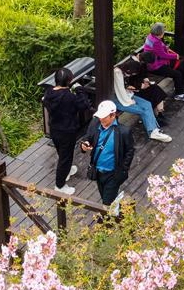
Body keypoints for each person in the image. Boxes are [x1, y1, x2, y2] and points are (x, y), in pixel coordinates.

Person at [44, 67, 91, 195]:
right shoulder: (69, 97)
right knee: (65, 157)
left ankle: (68, 170)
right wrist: (80, 90)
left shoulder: (48, 93)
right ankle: (59, 186)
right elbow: (84, 105)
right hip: (67, 131)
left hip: (54, 128)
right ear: (69, 80)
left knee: (62, 153)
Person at [81, 100, 135, 209]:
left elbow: (130, 151)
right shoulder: (95, 123)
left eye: (104, 116)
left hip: (113, 174)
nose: (101, 119)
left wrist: (124, 168)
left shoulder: (123, 131)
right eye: (100, 116)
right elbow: (88, 137)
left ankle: (108, 220)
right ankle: (116, 211)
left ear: (113, 115)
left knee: (106, 202)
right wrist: (85, 144)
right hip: (98, 171)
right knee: (105, 197)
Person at [112, 67, 172, 142]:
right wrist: (129, 101)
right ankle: (152, 131)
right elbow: (120, 91)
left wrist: (129, 91)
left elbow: (122, 88)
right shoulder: (117, 73)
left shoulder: (122, 71)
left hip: (127, 95)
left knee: (147, 104)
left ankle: (154, 128)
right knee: (143, 110)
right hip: (118, 99)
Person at [142, 22, 184, 101]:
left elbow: (158, 51)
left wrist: (165, 48)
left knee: (179, 66)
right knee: (177, 74)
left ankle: (178, 87)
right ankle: (179, 94)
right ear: (160, 32)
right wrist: (175, 56)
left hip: (154, 62)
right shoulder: (156, 42)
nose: (164, 32)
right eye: (163, 31)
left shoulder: (150, 36)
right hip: (155, 66)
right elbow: (162, 55)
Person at [118, 53, 168, 119]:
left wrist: (146, 81)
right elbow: (129, 81)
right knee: (154, 92)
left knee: (155, 89)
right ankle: (157, 112)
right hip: (133, 89)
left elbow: (143, 74)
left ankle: (158, 112)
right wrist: (141, 86)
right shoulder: (131, 64)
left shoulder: (140, 62)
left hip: (140, 85)